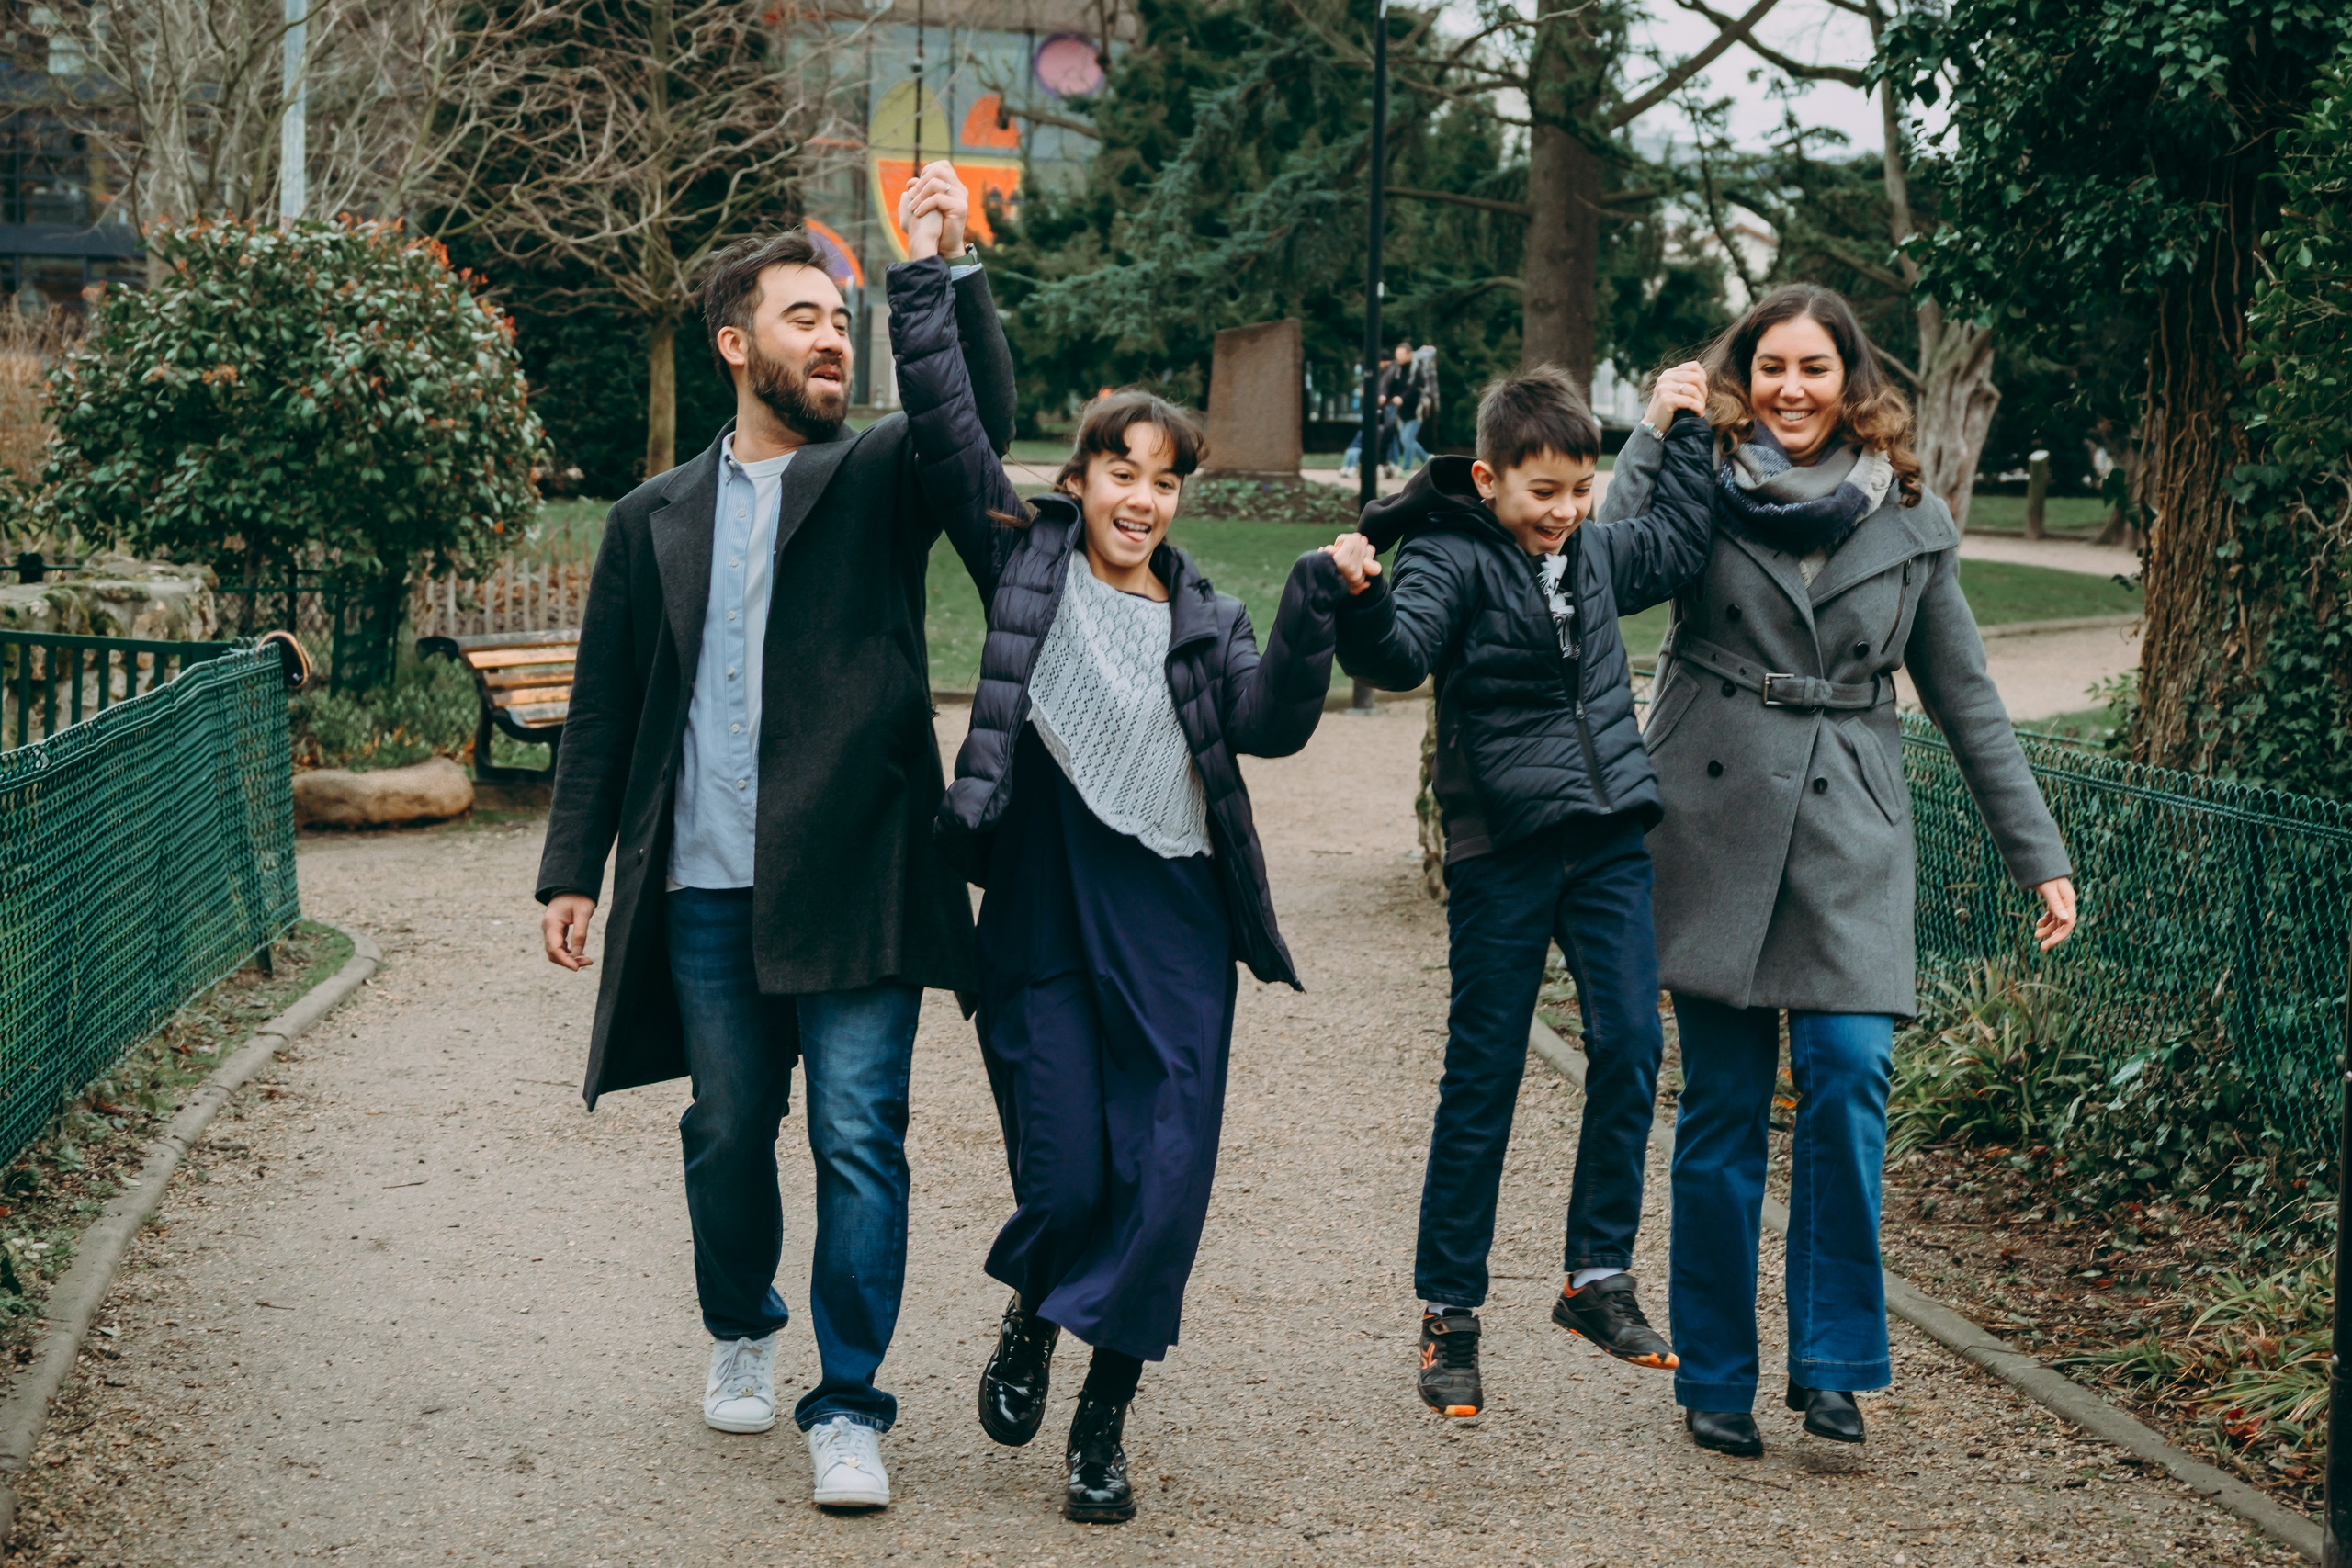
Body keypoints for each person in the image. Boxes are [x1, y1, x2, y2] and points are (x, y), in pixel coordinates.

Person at [889, 177, 1373, 1523]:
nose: (1144, 498)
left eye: (1167, 479)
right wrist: (929, 274)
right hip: (1043, 903)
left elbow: (1273, 723)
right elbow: (943, 426)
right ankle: (1034, 1310)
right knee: (1069, 1172)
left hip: (1171, 919)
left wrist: (1312, 603)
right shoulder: (1024, 566)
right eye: (1122, 470)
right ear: (1082, 476)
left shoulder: (1206, 622)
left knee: (1162, 1179)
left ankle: (1103, 1415)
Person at [534, 163, 1013, 1511]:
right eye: (803, 317)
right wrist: (572, 867)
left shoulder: (879, 475)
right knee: (728, 1128)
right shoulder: (651, 518)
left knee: (863, 1135)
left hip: (860, 873)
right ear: (737, 344)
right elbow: (608, 705)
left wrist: (942, 270)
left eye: (842, 320)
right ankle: (741, 1324)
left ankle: (849, 1398)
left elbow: (979, 421)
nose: (830, 338)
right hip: (701, 889)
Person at [1595, 283, 2078, 1459]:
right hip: (1711, 823)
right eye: (1770, 368)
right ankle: (1715, 1372)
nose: (1790, 389)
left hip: (1852, 832)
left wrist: (2039, 856)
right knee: (1716, 1110)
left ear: (1851, 382)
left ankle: (1832, 1366)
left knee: (1850, 1080)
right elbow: (1597, 573)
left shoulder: (1910, 515)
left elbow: (1965, 695)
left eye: (1813, 368)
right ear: (1740, 377)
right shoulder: (1695, 481)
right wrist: (1647, 438)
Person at [1329, 360, 1715, 1419]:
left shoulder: (1591, 551)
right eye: (1544, 492)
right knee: (1484, 1076)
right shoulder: (1450, 559)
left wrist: (1679, 428)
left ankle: (1595, 1278)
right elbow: (1401, 654)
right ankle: (1449, 1313)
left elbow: (1680, 542)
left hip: (1604, 841)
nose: (1566, 511)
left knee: (1633, 1042)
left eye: (1581, 488)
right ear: (1491, 478)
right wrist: (1360, 597)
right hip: (1501, 849)